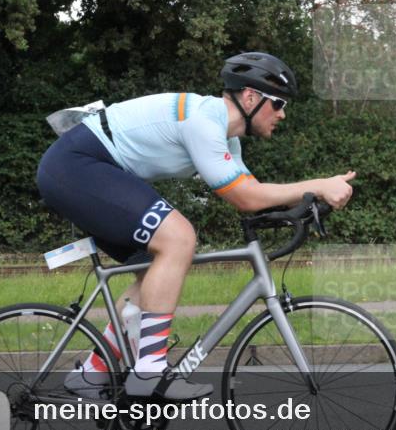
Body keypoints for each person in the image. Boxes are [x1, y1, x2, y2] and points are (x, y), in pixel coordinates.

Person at [36, 52, 356, 400]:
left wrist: (310, 200)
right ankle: (148, 373)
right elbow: (247, 197)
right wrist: (318, 184)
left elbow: (255, 193)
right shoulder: (204, 121)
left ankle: (92, 374)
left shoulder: (226, 139)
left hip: (89, 170)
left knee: (155, 270)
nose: (282, 113)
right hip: (75, 166)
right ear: (250, 97)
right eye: (277, 103)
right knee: (178, 238)